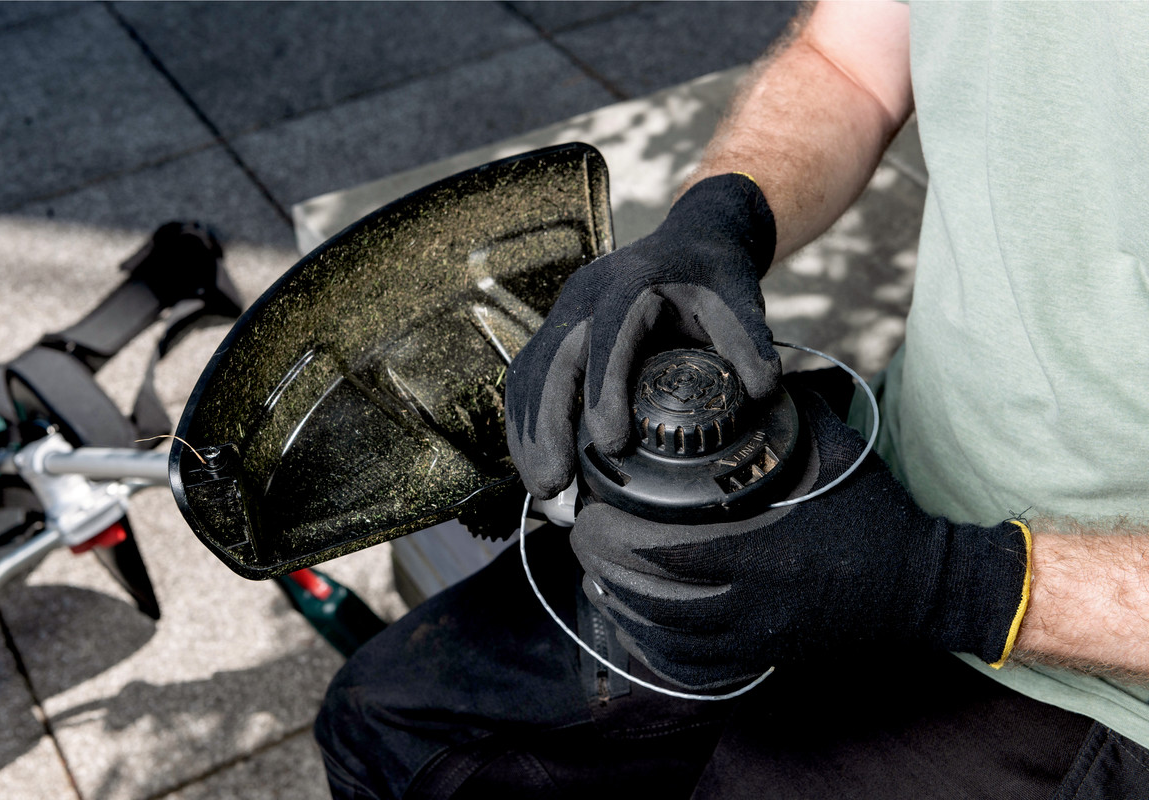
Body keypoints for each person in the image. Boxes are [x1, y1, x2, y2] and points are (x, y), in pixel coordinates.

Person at [316, 3, 1148, 797]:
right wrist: (719, 216)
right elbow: (850, 60)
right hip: (878, 469)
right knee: (390, 723)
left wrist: (959, 583)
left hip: (1091, 676)